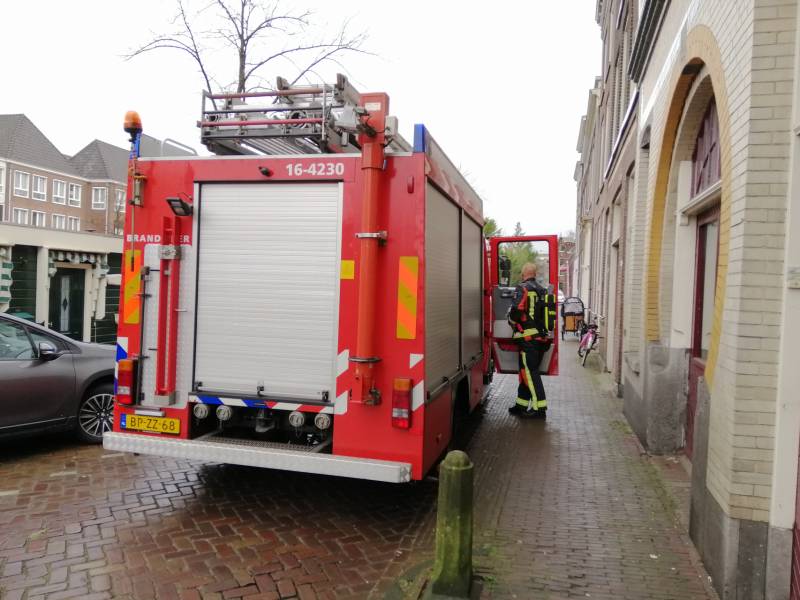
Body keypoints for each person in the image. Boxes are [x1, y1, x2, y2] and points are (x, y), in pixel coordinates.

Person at [507, 263, 551, 419]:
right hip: (539, 339)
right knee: (526, 372)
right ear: (535, 274)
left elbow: (516, 311)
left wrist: (511, 320)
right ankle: (521, 405)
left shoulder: (523, 288)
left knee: (531, 374)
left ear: (523, 274)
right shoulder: (542, 290)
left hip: (527, 339)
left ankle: (540, 409)